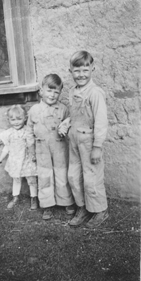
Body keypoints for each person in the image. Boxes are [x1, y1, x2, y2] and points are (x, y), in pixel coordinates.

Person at [59, 51, 109, 228]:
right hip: (73, 140)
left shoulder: (95, 93)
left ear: (92, 69)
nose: (81, 74)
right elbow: (75, 115)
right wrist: (66, 123)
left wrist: (97, 146)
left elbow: (101, 122)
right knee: (73, 176)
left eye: (85, 70)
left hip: (89, 141)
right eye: (77, 70)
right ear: (70, 71)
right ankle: (83, 208)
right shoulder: (72, 91)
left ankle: (100, 210)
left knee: (91, 178)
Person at [26, 74, 74, 220]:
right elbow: (29, 132)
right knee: (45, 175)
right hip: (41, 149)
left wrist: (66, 126)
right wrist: (31, 150)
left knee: (61, 174)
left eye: (56, 92)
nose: (52, 95)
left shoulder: (63, 109)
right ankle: (47, 205)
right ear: (41, 90)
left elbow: (69, 125)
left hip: (59, 147)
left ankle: (66, 201)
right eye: (49, 90)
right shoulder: (34, 110)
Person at [0, 105, 38, 210]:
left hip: (27, 159)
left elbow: (33, 144)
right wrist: (0, 158)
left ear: (25, 118)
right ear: (8, 120)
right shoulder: (9, 133)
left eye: (19, 119)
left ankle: (34, 198)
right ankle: (15, 197)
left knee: (31, 179)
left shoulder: (28, 130)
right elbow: (7, 148)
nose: (16, 122)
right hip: (15, 160)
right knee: (16, 179)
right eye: (13, 120)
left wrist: (34, 155)